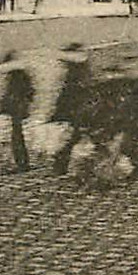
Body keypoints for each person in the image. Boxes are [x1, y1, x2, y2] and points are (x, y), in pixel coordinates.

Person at [50, 42, 93, 177]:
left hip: (81, 111)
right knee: (77, 137)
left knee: (74, 138)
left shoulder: (77, 73)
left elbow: (71, 94)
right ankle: (61, 165)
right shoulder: (80, 71)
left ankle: (61, 165)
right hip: (82, 111)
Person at [0, 51, 35, 172]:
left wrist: (4, 106)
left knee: (17, 137)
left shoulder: (16, 78)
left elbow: (13, 95)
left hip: (17, 109)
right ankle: (22, 162)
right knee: (17, 135)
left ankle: (22, 163)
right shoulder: (20, 76)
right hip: (19, 108)